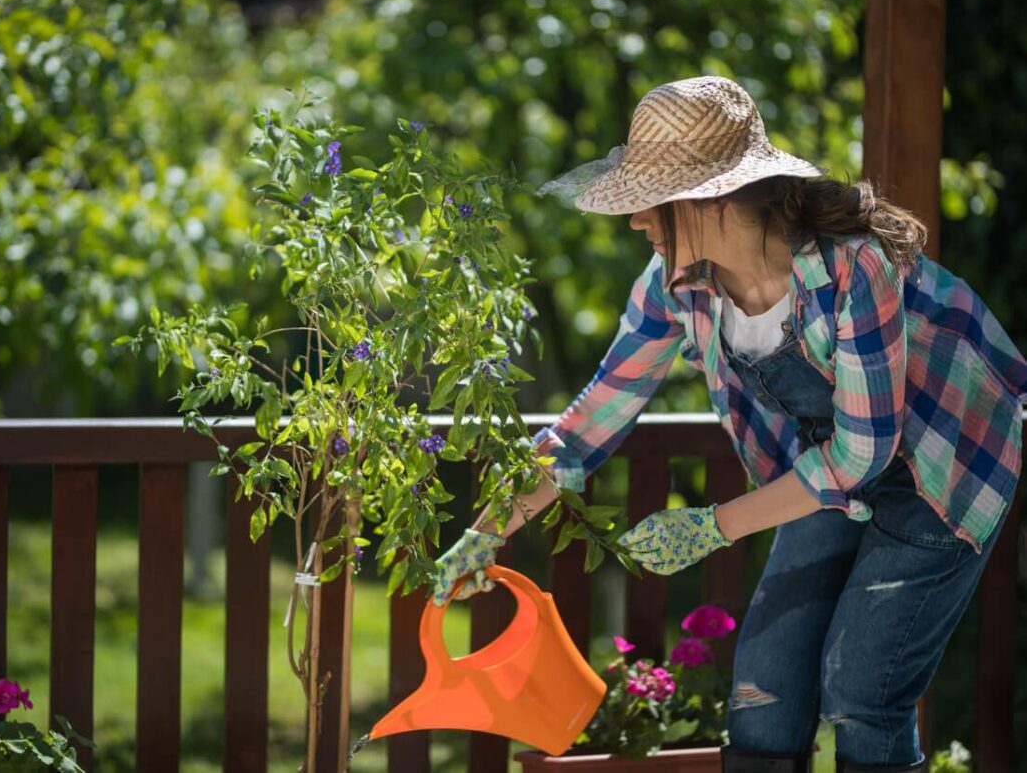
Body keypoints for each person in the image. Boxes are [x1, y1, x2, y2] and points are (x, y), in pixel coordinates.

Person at [429, 75, 1027, 773]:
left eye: (648, 202)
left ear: (710, 198)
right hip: (826, 464)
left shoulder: (853, 269)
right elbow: (588, 424)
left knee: (863, 688)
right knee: (762, 692)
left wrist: (712, 526)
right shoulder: (675, 285)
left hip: (948, 460)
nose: (634, 221)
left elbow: (864, 454)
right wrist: (488, 529)